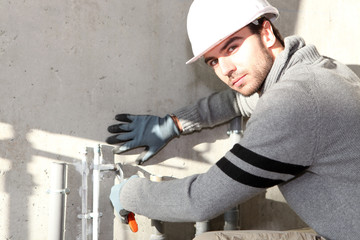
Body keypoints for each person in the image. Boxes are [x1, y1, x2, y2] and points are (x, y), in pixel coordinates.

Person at [106, 0, 360, 239]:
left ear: (267, 33)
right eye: (214, 61)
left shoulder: (293, 103)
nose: (225, 69)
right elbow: (238, 101)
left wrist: (128, 192)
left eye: (232, 47)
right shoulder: (316, 70)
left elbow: (199, 201)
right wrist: (175, 123)